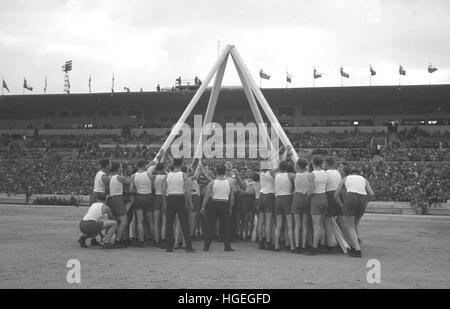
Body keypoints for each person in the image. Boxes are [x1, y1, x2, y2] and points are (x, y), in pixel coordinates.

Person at [335, 167, 374, 258]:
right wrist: (366, 202)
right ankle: (356, 244)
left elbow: (336, 195)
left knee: (350, 226)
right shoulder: (364, 179)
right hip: (363, 199)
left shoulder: (345, 179)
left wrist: (342, 206)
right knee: (355, 225)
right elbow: (372, 194)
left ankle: (357, 250)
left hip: (351, 198)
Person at [161, 157, 194, 252]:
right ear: (182, 163)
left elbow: (163, 190)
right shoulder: (183, 174)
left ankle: (168, 246)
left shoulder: (168, 175)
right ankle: (188, 246)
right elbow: (187, 190)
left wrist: (164, 201)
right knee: (184, 223)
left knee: (169, 223)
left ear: (173, 163)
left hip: (170, 197)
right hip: (180, 197)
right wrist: (188, 201)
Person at [201, 164, 235, 252]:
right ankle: (227, 247)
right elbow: (232, 197)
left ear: (216, 172)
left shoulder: (212, 182)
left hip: (214, 203)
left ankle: (206, 246)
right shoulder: (230, 183)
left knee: (210, 226)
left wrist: (203, 206)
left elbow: (207, 196)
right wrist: (230, 208)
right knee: (226, 226)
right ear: (225, 172)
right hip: (224, 204)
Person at [306, 155, 328, 255]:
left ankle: (314, 247)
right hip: (324, 196)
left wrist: (306, 196)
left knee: (316, 225)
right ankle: (322, 245)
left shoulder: (312, 174)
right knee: (321, 224)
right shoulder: (324, 172)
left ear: (312, 163)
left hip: (316, 198)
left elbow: (311, 190)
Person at [272, 160, 296, 252]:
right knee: (289, 224)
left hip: (278, 199)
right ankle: (292, 246)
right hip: (287, 198)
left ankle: (276, 245)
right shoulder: (290, 175)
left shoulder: (275, 176)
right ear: (287, 167)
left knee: (278, 224)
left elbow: (273, 171)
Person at [129, 160, 154, 247]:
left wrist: (136, 190)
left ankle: (141, 241)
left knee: (140, 221)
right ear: (144, 165)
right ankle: (153, 239)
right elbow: (153, 187)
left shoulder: (133, 176)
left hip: (138, 197)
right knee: (150, 220)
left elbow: (130, 190)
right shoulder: (149, 174)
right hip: (148, 196)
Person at [291, 158, 313, 253]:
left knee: (297, 224)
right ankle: (303, 246)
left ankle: (296, 246)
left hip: (297, 197)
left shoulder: (295, 175)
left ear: (299, 166)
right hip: (306, 197)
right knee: (304, 225)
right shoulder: (309, 175)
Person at [107, 162, 130, 248]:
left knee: (117, 220)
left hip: (112, 199)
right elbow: (130, 182)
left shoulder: (110, 177)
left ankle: (115, 238)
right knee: (124, 220)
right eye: (120, 167)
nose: (121, 169)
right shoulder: (120, 177)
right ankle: (118, 240)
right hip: (118, 199)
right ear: (118, 169)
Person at [323, 156, 342, 254]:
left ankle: (331, 243)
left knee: (327, 221)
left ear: (326, 163)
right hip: (337, 194)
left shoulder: (326, 173)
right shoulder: (338, 172)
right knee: (336, 220)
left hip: (329, 195)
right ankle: (339, 242)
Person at [260, 163, 275, 250]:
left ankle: (261, 241)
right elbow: (281, 165)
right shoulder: (270, 173)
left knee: (261, 221)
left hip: (262, 195)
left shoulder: (261, 173)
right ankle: (268, 242)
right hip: (269, 195)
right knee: (268, 221)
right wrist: (284, 152)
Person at [153, 162, 167, 248]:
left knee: (156, 222)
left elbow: (153, 188)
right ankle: (163, 239)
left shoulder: (154, 177)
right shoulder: (166, 176)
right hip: (163, 197)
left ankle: (156, 240)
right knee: (164, 222)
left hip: (156, 197)